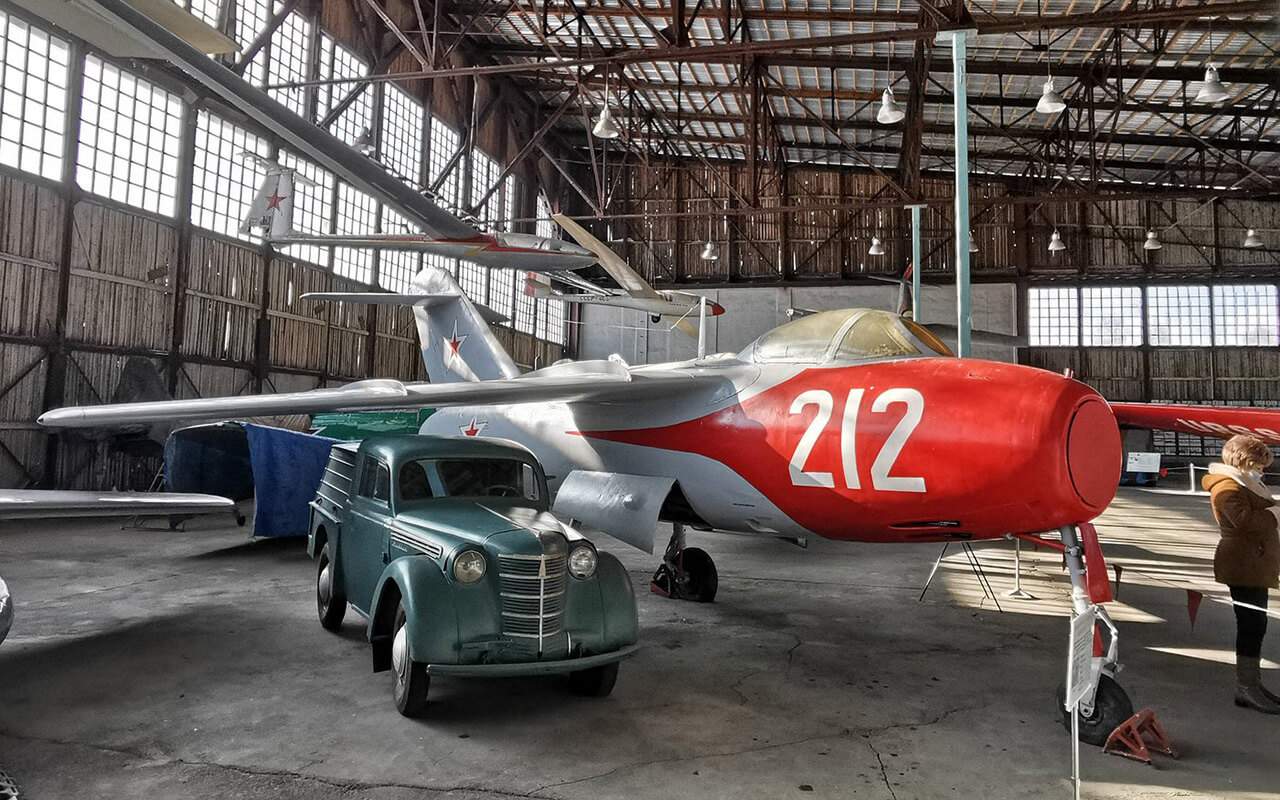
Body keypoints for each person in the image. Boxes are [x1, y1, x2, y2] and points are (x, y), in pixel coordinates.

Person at [1202, 434, 1280, 714]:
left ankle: (1252, 685)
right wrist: (1276, 515)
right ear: (1245, 461)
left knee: (1255, 624)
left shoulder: (1245, 482)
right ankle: (1246, 687)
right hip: (1242, 562)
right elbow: (1243, 520)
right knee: (1251, 624)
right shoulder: (1226, 486)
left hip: (1253, 561)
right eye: (1259, 465)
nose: (1262, 470)